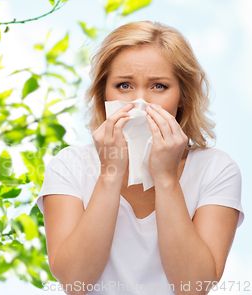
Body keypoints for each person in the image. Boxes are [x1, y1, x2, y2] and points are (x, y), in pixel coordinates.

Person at [36, 21, 245, 295]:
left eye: (158, 86)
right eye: (124, 85)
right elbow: (76, 282)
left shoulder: (216, 169)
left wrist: (167, 179)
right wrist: (110, 174)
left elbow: (194, 287)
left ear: (182, 96)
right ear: (102, 94)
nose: (139, 104)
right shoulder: (69, 166)